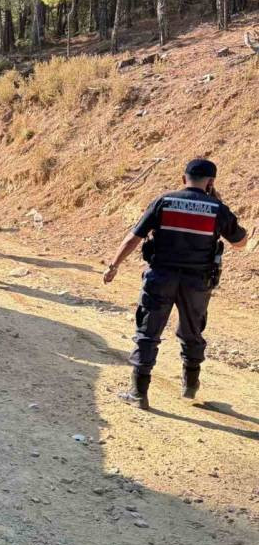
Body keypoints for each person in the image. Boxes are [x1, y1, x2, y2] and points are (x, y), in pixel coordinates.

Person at [103, 159, 248, 409]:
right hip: (197, 282)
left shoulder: (164, 200)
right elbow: (240, 242)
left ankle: (138, 393)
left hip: (160, 277)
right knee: (192, 330)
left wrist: (113, 265)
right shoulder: (217, 208)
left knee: (148, 332)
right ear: (211, 182)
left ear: (184, 179)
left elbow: (133, 238)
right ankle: (190, 384)